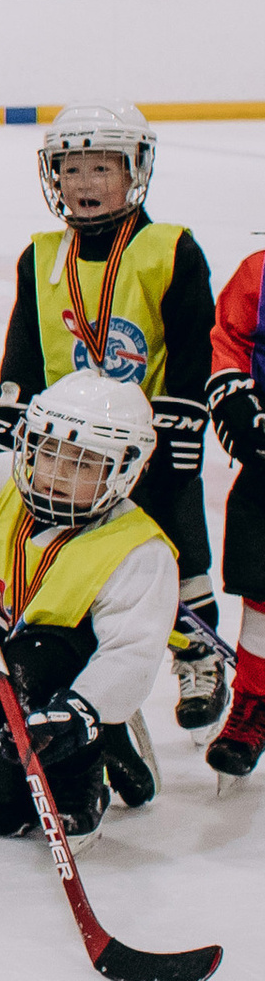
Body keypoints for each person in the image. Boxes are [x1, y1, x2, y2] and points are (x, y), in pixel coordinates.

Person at [0, 103, 219, 732]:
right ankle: (82, 666)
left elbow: (197, 340)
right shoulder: (39, 257)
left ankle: (197, 650)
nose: (85, 183)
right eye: (71, 169)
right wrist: (9, 408)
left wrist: (188, 414)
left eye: (102, 167)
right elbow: (25, 346)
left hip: (149, 437)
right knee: (67, 545)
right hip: (71, 446)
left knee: (175, 532)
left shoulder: (166, 247)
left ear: (135, 171)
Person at [0, 373, 173, 840]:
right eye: (48, 453)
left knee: (40, 662)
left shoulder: (141, 550)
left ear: (124, 470)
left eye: (84, 464)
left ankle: (92, 755)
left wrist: (85, 710)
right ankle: (103, 737)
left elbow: (131, 653)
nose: (57, 475)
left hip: (67, 669)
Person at [205, 247, 265, 776]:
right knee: (262, 589)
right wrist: (232, 394)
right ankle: (254, 698)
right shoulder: (260, 271)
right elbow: (230, 338)